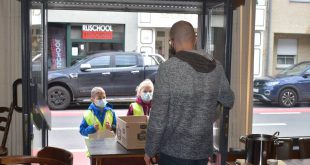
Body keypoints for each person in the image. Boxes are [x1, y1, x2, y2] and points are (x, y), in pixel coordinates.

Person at [144, 21, 234, 165]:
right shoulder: (215, 66)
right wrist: (211, 110)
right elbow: (228, 99)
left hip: (172, 152)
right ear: (195, 39)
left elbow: (158, 116)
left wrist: (150, 150)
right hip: (202, 151)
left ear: (172, 42)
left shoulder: (167, 69)